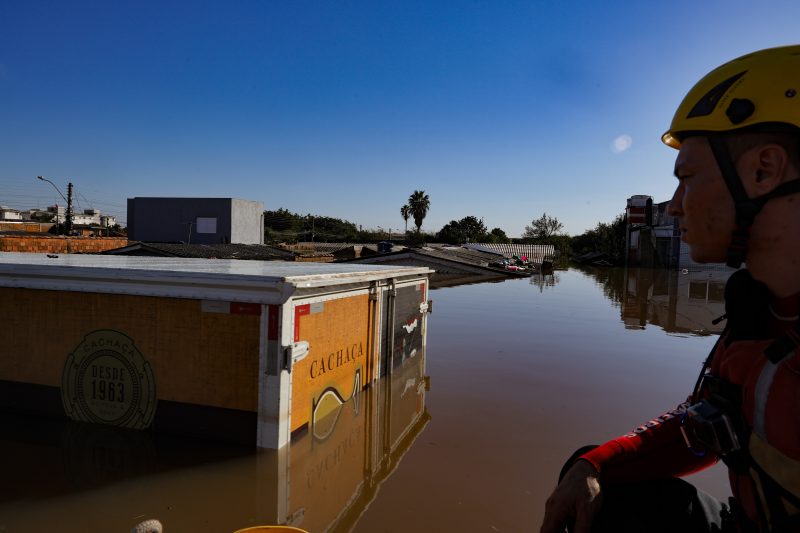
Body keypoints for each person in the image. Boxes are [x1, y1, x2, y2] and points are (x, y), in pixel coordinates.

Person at [540, 45, 800, 533]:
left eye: (686, 179)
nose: (675, 206)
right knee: (595, 482)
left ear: (764, 171)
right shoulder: (756, 309)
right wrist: (596, 464)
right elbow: (702, 428)